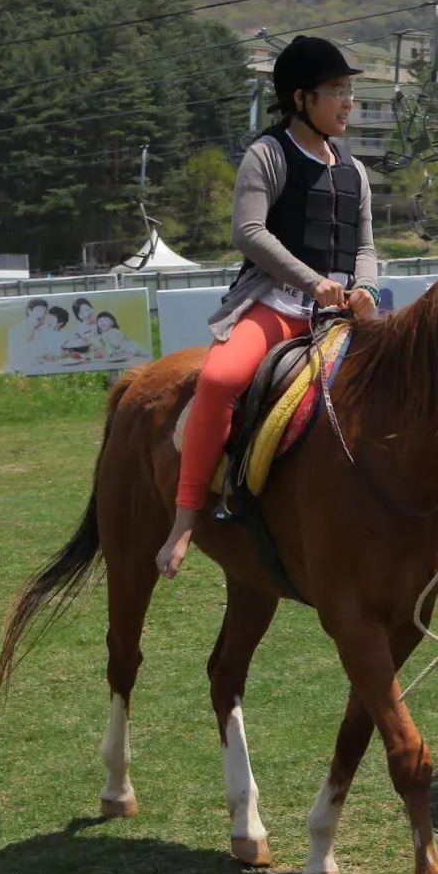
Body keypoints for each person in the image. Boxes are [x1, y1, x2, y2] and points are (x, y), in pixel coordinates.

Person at [155, 36, 380, 578]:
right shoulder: (268, 154)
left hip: (344, 316)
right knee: (217, 379)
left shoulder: (355, 169)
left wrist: (366, 287)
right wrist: (314, 282)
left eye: (351, 91)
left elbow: (367, 245)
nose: (349, 102)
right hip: (278, 305)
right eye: (339, 91)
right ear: (302, 98)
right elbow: (248, 232)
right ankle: (186, 517)